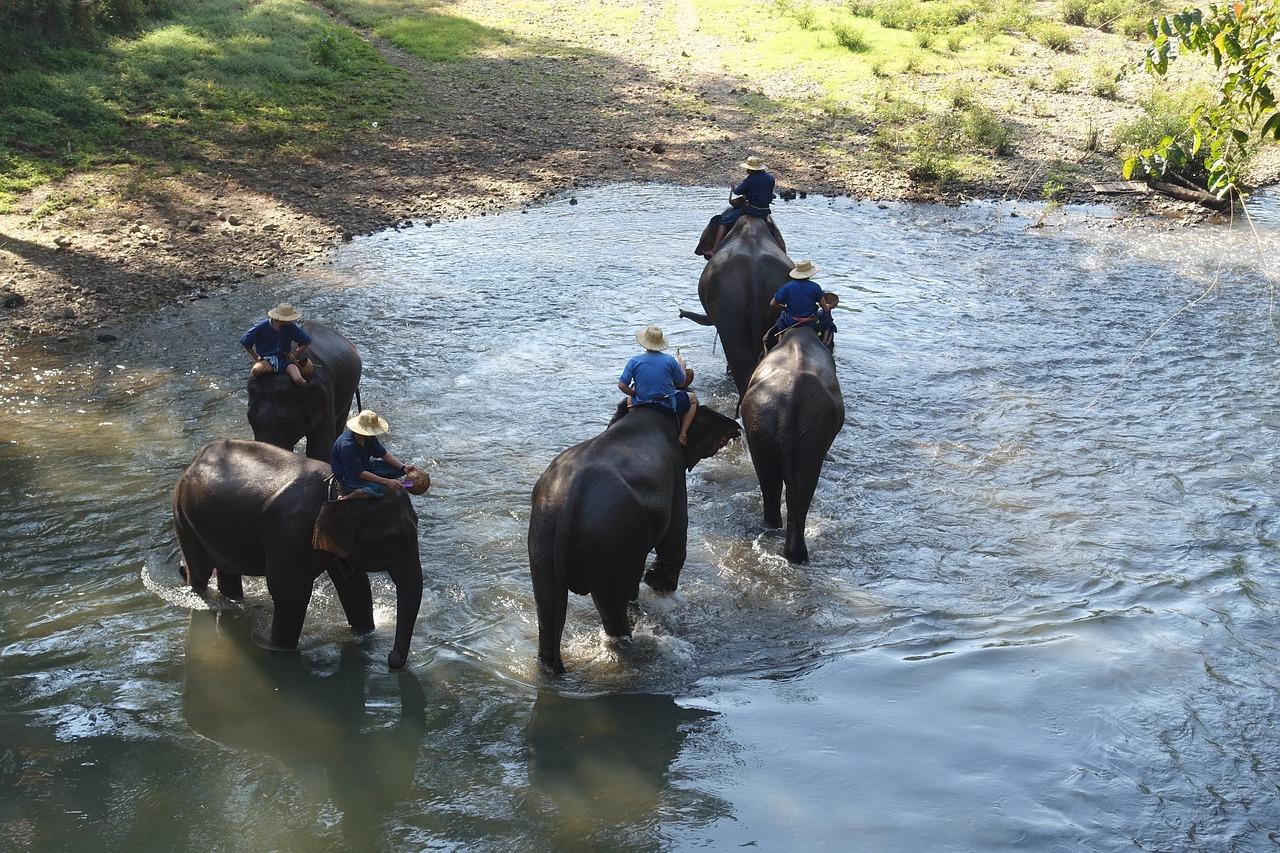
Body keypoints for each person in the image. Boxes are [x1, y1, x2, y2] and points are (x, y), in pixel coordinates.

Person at [618, 325, 698, 445]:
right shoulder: (670, 360)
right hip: (667, 403)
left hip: (641, 401)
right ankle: (683, 434)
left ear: (645, 342)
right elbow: (681, 383)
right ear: (660, 343)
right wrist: (681, 367)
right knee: (693, 399)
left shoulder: (634, 361)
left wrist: (633, 393)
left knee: (630, 397)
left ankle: (633, 416)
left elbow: (622, 385)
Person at [331, 409, 419, 500]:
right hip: (349, 475)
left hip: (366, 465)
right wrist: (386, 482)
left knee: (397, 469)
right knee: (378, 489)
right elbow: (359, 472)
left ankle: (402, 483)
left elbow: (384, 454)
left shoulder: (368, 438)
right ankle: (347, 497)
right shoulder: (347, 446)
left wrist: (403, 467)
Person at [705, 155, 776, 257]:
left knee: (723, 222)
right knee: (774, 230)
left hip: (751, 210)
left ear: (751, 170)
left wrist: (733, 188)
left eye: (748, 168)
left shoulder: (750, 179)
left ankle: (714, 249)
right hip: (765, 211)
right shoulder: (770, 178)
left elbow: (738, 192)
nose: (747, 170)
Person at [241, 303, 312, 387]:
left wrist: (294, 355)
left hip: (285, 360)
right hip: (267, 361)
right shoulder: (261, 326)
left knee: (298, 380)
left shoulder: (291, 327)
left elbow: (306, 341)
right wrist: (257, 358)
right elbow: (246, 342)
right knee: (256, 370)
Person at [765, 260, 827, 349]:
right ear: (809, 274)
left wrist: (785, 308)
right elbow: (825, 309)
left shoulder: (787, 286)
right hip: (810, 322)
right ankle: (822, 341)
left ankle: (778, 340)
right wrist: (828, 307)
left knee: (780, 320)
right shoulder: (815, 287)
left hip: (791, 321)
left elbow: (772, 303)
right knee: (826, 320)